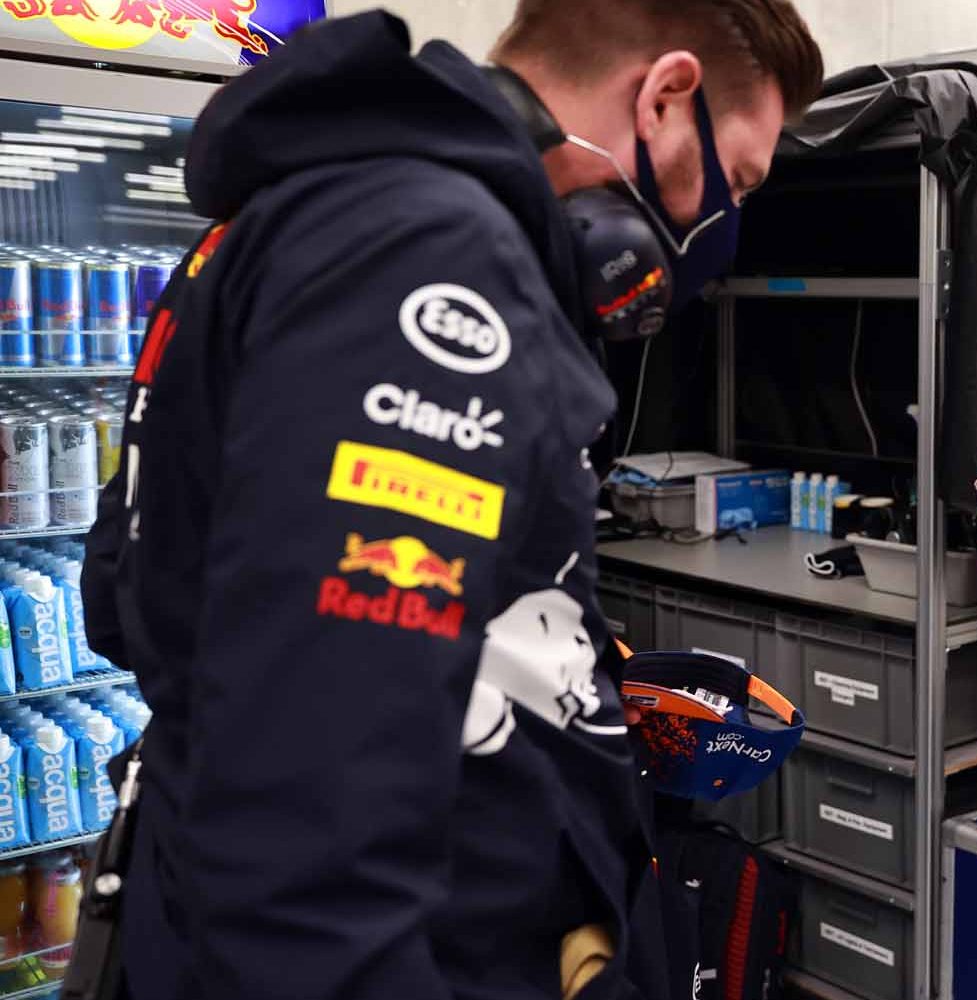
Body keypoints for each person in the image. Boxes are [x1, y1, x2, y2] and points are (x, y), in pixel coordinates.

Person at [79, 2, 820, 998]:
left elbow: (127, 589)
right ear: (665, 98)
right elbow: (310, 823)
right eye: (732, 179)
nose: (714, 221)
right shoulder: (428, 255)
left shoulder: (320, 207)